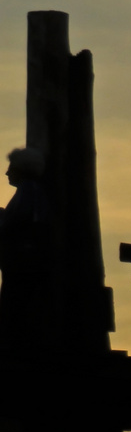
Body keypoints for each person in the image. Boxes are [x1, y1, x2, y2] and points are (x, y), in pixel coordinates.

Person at [0, 147, 50, 362]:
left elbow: (23, 222)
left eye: (11, 168)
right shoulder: (30, 192)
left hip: (22, 262)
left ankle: (16, 350)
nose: (7, 173)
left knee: (15, 305)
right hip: (21, 260)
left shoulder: (29, 191)